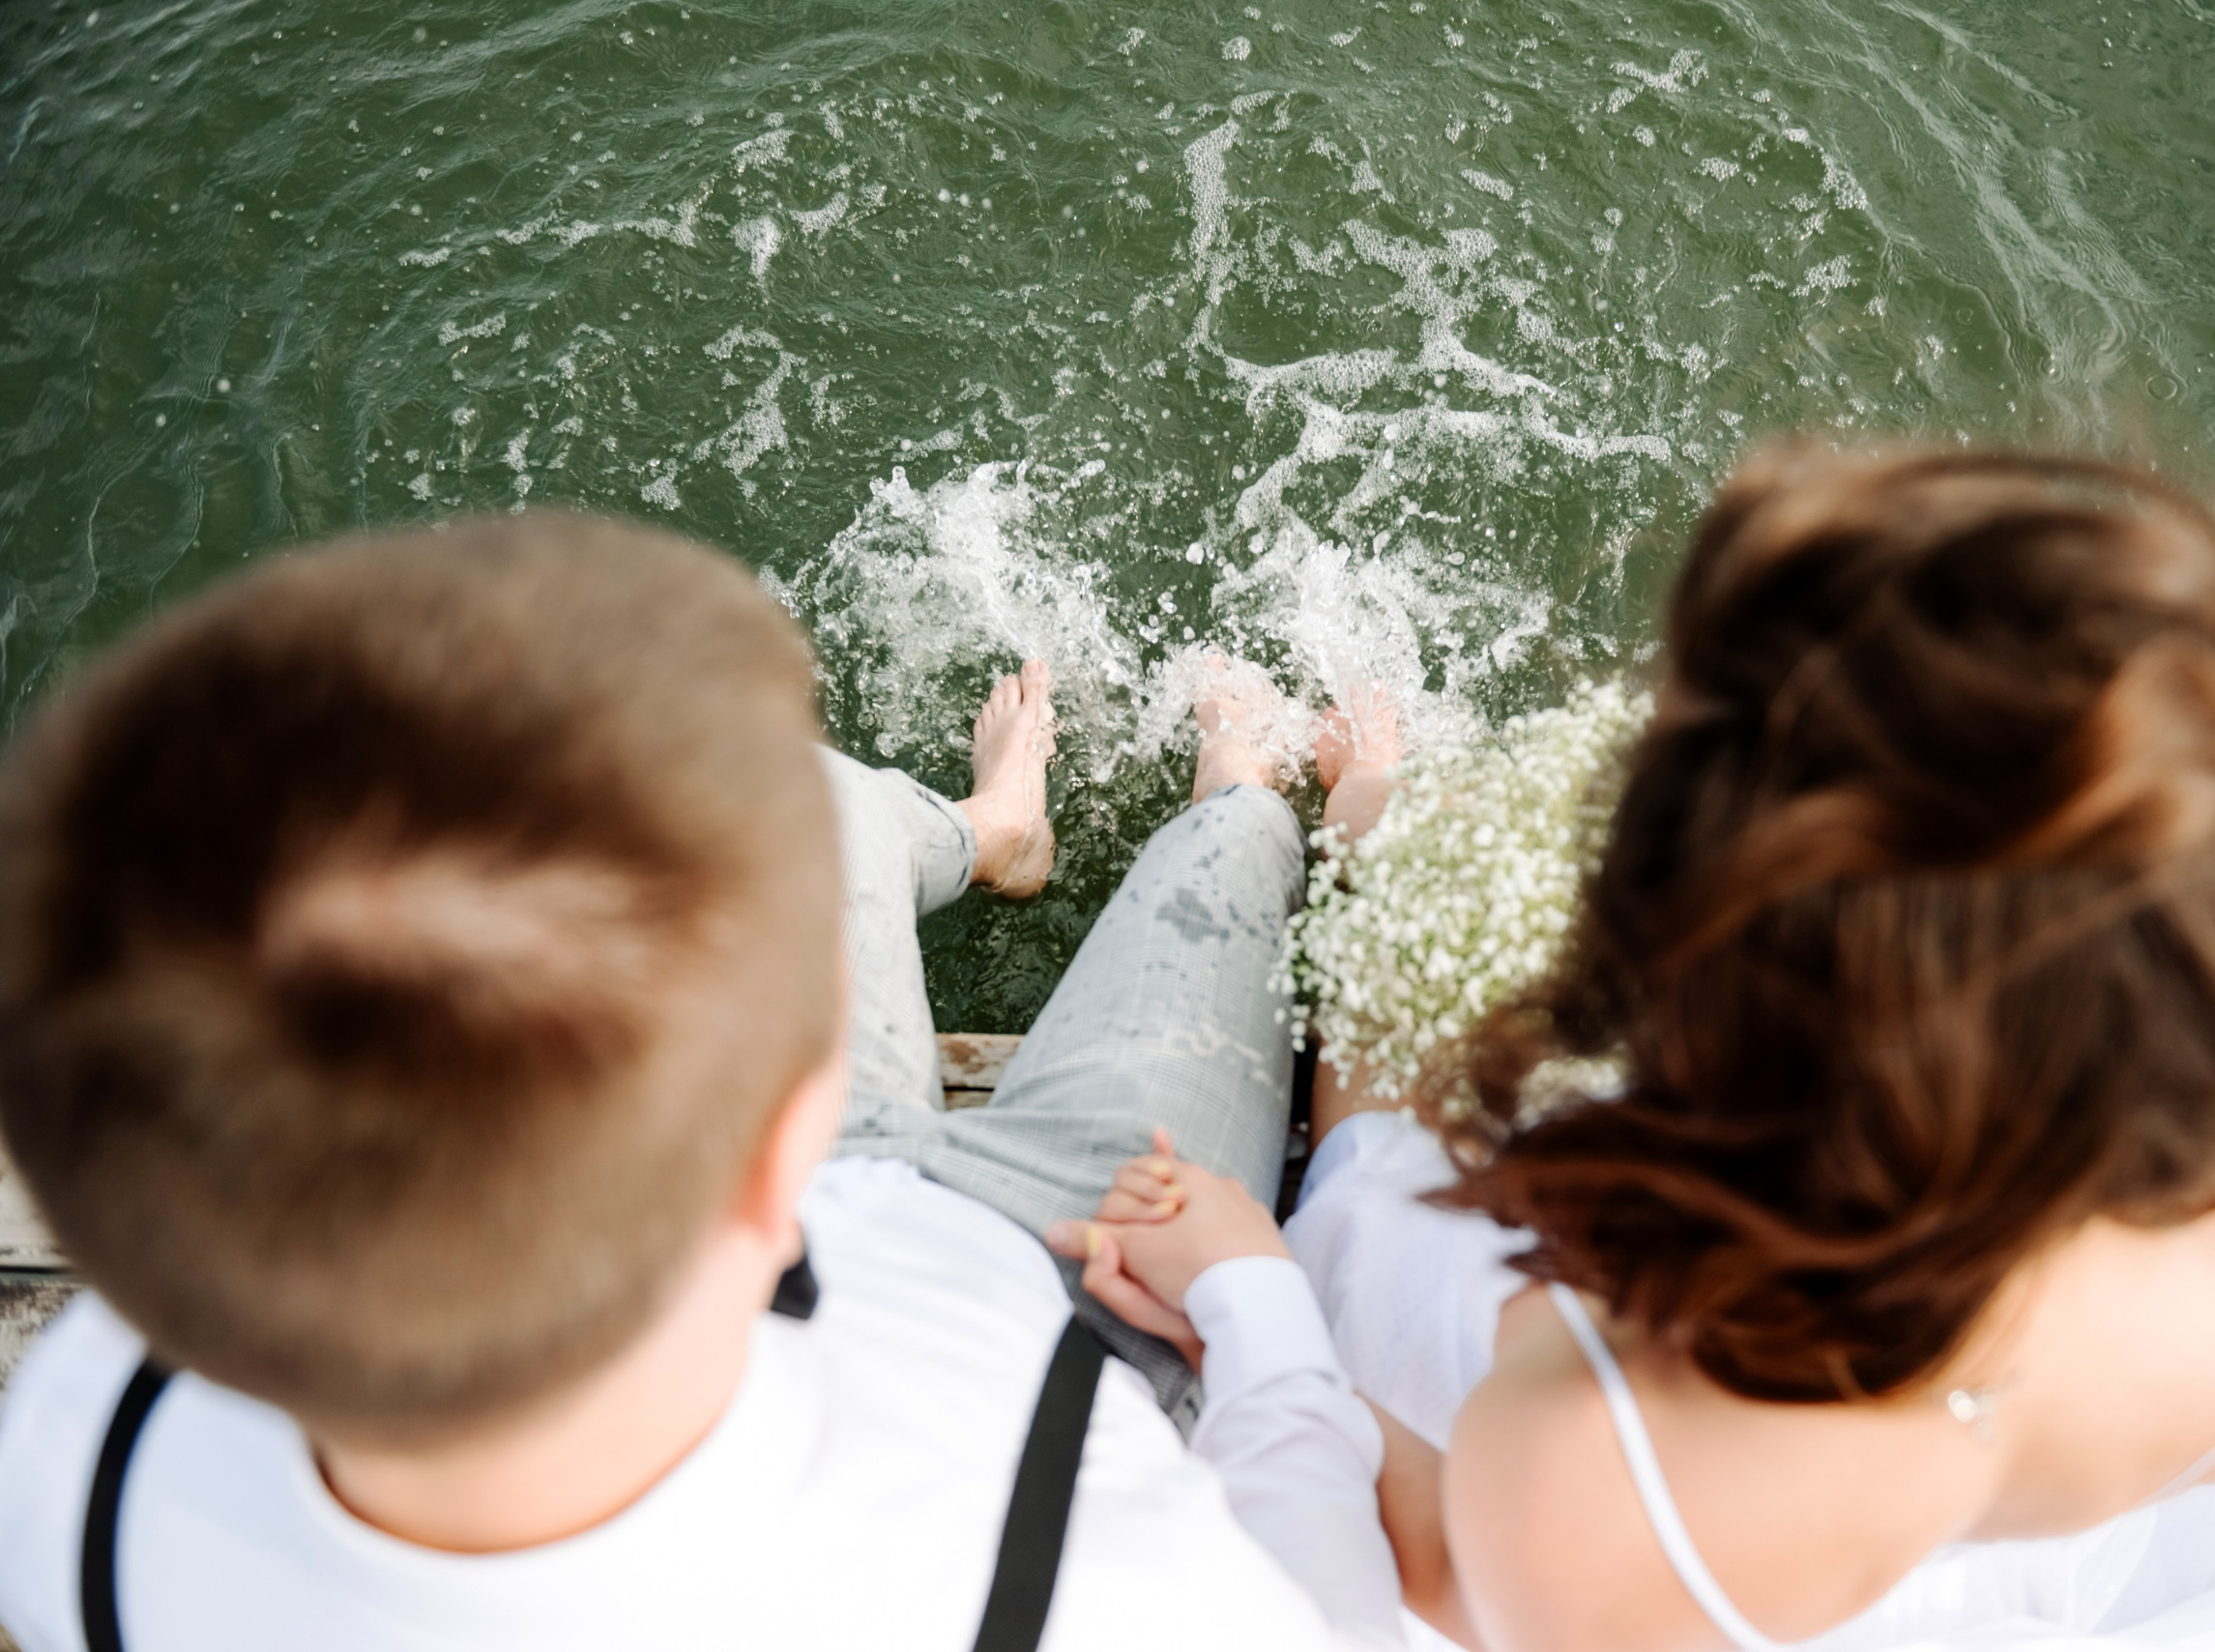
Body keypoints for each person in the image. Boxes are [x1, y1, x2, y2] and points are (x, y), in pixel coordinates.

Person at [1069, 446, 2215, 1652]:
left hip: (1648, 1578)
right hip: (1963, 1563)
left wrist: (1255, 1298)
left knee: (1376, 1180)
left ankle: (1327, 814)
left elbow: (1408, 1560)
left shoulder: (1592, 1469)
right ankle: (1366, 808)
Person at [0, 512, 1400, 1650]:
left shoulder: (83, 1461)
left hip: (752, 1216)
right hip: (1090, 1275)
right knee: (1236, 847)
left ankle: (994, 830)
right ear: (790, 1126)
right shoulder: (1100, 1584)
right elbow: (1337, 1603)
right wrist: (1260, 1302)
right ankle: (1246, 789)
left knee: (801, 799)